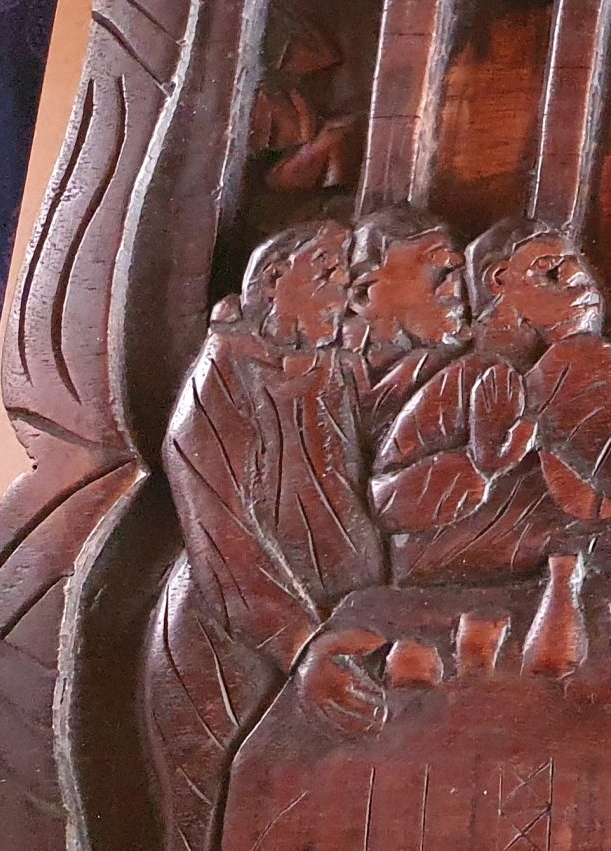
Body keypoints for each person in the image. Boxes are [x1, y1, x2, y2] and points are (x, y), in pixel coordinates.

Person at [142, 223, 389, 851]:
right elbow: (225, 538)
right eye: (327, 273)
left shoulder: (329, 369)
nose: (343, 291)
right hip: (232, 650)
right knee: (224, 816)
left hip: (332, 634)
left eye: (346, 277)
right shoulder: (219, 383)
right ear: (275, 279)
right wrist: (302, 645)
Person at [370, 219, 611, 583]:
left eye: (579, 267)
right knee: (585, 360)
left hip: (559, 543)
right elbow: (384, 501)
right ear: (498, 280)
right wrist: (478, 465)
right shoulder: (470, 376)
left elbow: (570, 486)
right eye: (550, 268)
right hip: (450, 554)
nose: (582, 281)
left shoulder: (561, 369)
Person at [345, 205, 470, 434]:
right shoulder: (329, 377)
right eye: (436, 263)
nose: (456, 288)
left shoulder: (467, 375)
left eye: (459, 272)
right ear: (364, 294)